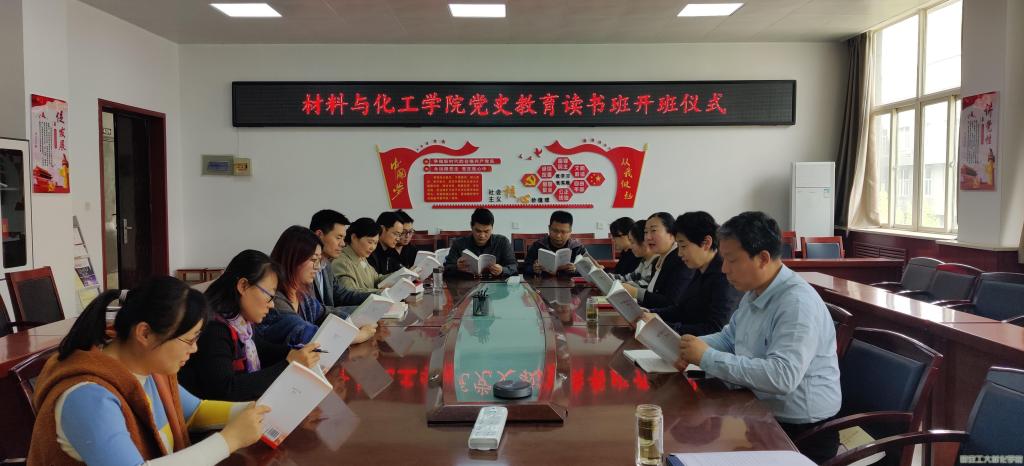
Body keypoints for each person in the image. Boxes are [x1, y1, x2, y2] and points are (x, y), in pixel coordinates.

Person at [28, 277, 269, 466]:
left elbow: (194, 411)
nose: (195, 349)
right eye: (189, 340)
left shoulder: (149, 370)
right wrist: (228, 441)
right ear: (144, 333)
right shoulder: (88, 397)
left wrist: (255, 410)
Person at [675, 211, 841, 463]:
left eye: (731, 260)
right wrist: (687, 346)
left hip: (801, 433)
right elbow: (729, 339)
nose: (724, 269)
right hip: (759, 413)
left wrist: (706, 357)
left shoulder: (796, 303)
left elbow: (782, 376)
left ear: (763, 258)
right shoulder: (755, 292)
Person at [179, 250, 322, 401]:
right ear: (243, 286)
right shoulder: (214, 329)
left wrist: (296, 353)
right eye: (269, 296)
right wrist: (288, 365)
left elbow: (261, 349)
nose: (272, 305)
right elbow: (225, 390)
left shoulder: (240, 322)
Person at [260, 226, 377, 348]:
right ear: (293, 258)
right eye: (313, 260)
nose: (317, 267)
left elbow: (324, 313)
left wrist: (364, 315)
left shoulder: (302, 294)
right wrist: (356, 336)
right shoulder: (274, 298)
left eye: (319, 260)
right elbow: (303, 333)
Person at [641, 212, 741, 336]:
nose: (679, 253)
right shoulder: (699, 268)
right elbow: (682, 310)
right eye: (678, 246)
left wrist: (663, 326)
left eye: (683, 246)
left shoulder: (724, 276)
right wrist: (651, 313)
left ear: (706, 242)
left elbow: (716, 329)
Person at [623, 212, 694, 308]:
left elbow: (671, 303)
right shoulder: (658, 261)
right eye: (646, 232)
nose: (648, 237)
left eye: (653, 230)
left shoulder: (681, 260)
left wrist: (636, 292)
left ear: (672, 234)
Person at [310, 209, 372, 317]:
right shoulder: (302, 267)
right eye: (338, 238)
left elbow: (342, 295)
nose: (343, 244)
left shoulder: (326, 264)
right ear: (319, 234)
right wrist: (364, 310)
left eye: (343, 238)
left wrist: (378, 296)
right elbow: (315, 311)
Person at [444, 208, 517, 277]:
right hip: (467, 283)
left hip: (495, 283)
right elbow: (446, 268)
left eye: (486, 231)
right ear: (471, 227)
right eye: (478, 231)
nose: (482, 235)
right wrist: (457, 267)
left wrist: (502, 270)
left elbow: (514, 267)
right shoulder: (459, 244)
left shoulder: (502, 242)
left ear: (492, 228)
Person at [333, 217, 398, 293]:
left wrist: (399, 276)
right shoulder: (341, 262)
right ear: (354, 237)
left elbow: (376, 279)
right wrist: (381, 292)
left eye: (375, 243)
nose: (372, 247)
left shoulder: (361, 257)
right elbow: (350, 293)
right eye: (370, 242)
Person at [524, 210, 589, 276]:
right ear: (549, 228)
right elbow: (525, 268)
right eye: (555, 231)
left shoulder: (577, 248)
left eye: (563, 232)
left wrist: (576, 270)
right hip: (543, 282)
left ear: (570, 232)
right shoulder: (538, 245)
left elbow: (589, 270)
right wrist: (533, 269)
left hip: (568, 282)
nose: (558, 235)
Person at [610, 220, 656, 288]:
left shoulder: (656, 263)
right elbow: (629, 277)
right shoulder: (644, 261)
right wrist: (605, 276)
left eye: (632, 242)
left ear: (645, 242)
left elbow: (643, 287)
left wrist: (623, 284)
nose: (630, 247)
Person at [368, 211, 404, 275]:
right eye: (396, 234)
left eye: (399, 235)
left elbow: (400, 270)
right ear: (382, 229)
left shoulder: (392, 251)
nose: (398, 239)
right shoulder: (370, 251)